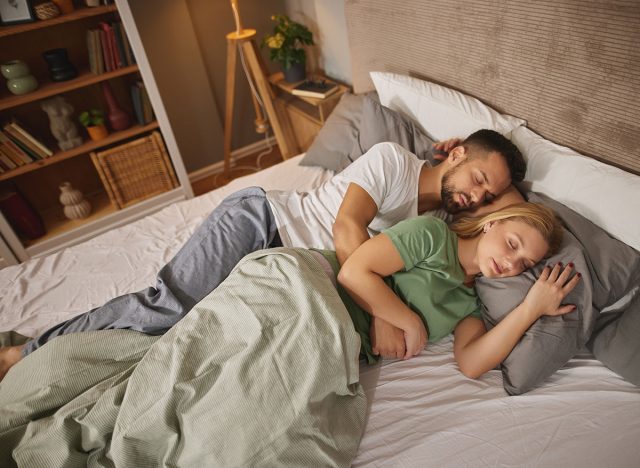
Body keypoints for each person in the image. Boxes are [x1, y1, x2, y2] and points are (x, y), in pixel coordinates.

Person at [0, 129, 527, 380]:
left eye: (488, 196)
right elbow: (348, 230)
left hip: (290, 276)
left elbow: (510, 218)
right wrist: (383, 312)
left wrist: (503, 202)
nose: (476, 196)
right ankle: (23, 355)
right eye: (478, 178)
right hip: (265, 225)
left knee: (189, 344)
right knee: (169, 308)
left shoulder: (442, 225)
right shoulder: (393, 161)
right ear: (454, 153)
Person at [327, 202, 580, 373]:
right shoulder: (432, 235)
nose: (511, 262)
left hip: (340, 345)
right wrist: (408, 322)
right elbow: (353, 273)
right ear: (492, 223)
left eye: (525, 263)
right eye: (512, 244)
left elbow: (471, 364)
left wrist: (531, 309)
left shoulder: (472, 301)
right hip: (319, 293)